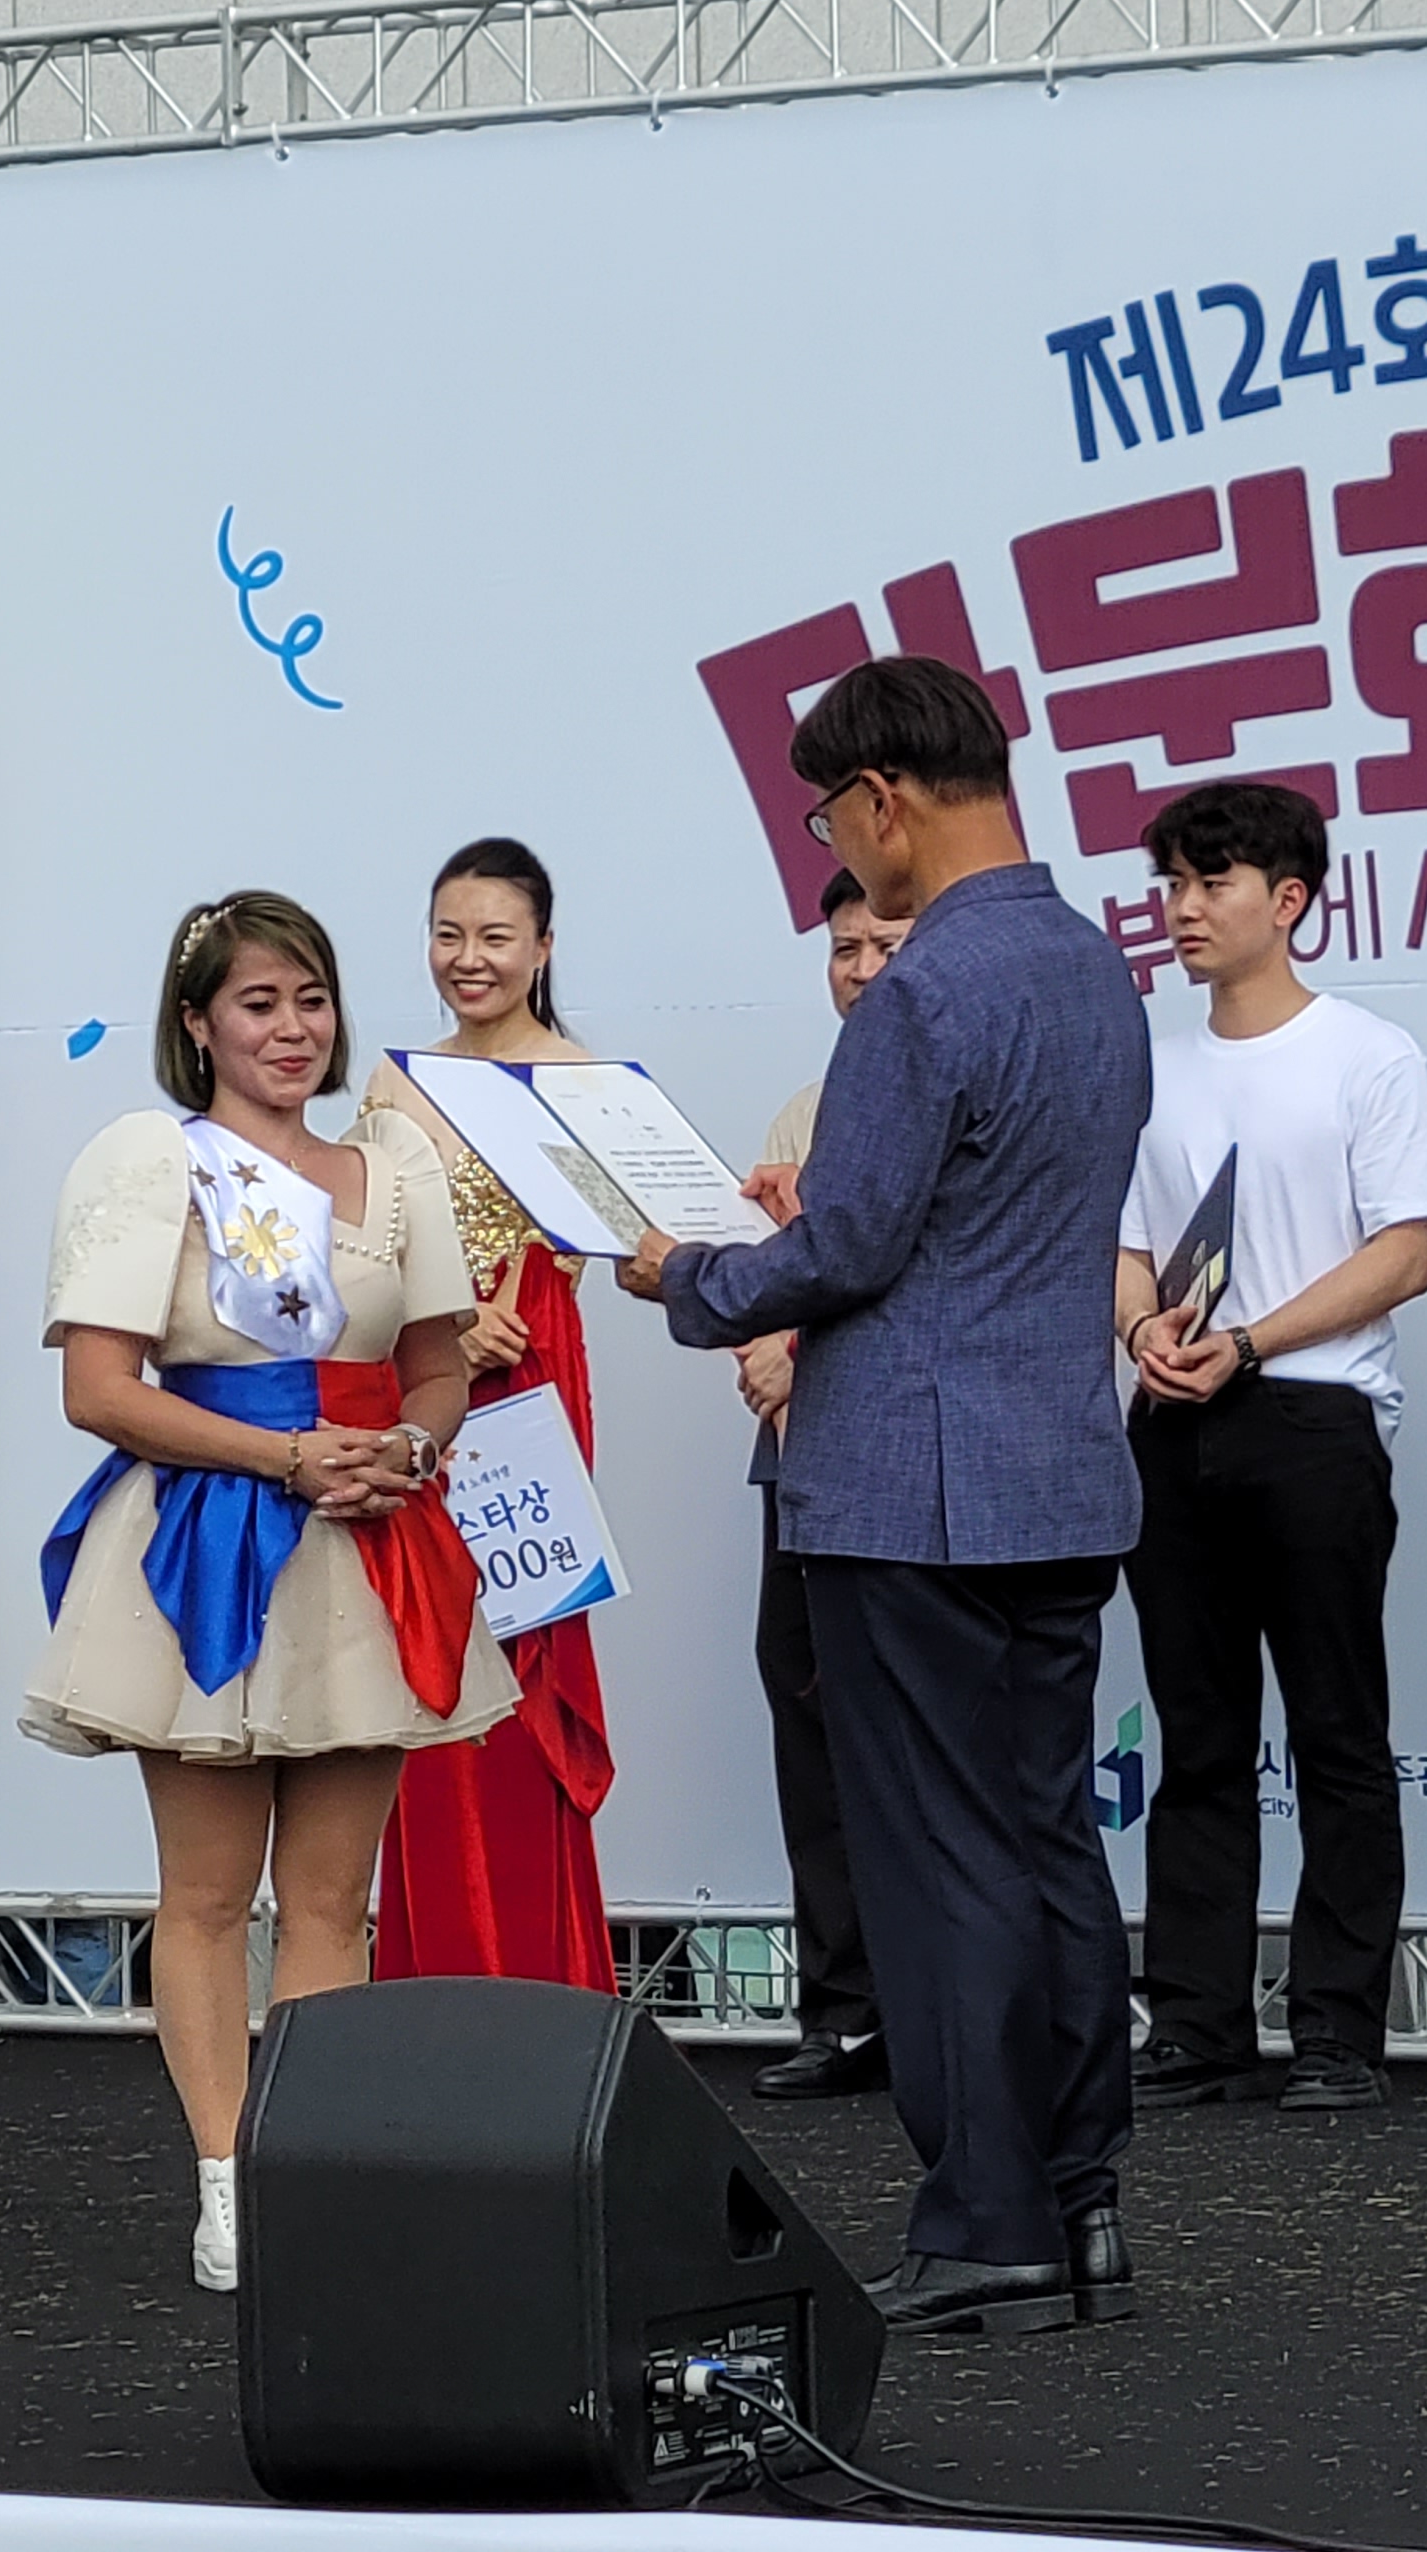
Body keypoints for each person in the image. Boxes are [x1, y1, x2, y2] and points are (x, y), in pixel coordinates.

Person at [620, 655, 1151, 2340]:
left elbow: (846, 1248)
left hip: (908, 1488)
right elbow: (967, 1221)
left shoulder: (922, 993)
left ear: (882, 800)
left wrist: (686, 1271)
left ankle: (985, 2215)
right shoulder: (1094, 966)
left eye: (828, 822)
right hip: (1054, 1468)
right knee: (1047, 1838)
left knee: (935, 1858)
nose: (835, 855)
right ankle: (1076, 2200)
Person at [27, 892, 513, 2289]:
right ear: (199, 1024)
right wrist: (284, 1456)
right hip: (210, 1531)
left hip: (367, 1536)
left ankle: (310, 2168)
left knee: (333, 1898)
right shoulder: (152, 1162)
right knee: (204, 1894)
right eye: (258, 1003)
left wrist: (407, 1449)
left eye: (310, 999)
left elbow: (438, 1362)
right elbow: (99, 1389)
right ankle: (227, 2181)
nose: (291, 1029)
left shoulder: (395, 1169)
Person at [1114, 782, 1427, 2116]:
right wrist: (1142, 1327)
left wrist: (1250, 1341)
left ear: (1288, 899)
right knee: (1196, 1738)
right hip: (1173, 1420)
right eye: (1173, 885)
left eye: (1212, 884)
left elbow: (1406, 1251)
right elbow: (1125, 1242)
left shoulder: (1369, 1054)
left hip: (1313, 1416)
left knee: (1336, 1733)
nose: (1183, 910)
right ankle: (1197, 2024)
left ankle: (1337, 2032)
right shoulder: (1149, 1064)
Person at [354, 838, 616, 1994]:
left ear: (543, 947)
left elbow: (603, 1252)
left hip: (529, 1391)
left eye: (496, 937)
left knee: (519, 1670)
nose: (470, 958)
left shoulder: (586, 1082)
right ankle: (435, 1977)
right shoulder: (395, 1082)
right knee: (422, 1656)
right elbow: (365, 1250)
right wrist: (440, 1337)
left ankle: (540, 1981)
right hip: (420, 1387)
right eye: (449, 934)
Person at [737, 864, 908, 2100]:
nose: (863, 970)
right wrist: (767, 1352)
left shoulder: (961, 1100)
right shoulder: (805, 1110)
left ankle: (934, 2009)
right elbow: (765, 1277)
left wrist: (799, 1354)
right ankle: (841, 2011)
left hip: (910, 1470)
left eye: (887, 945)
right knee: (808, 1725)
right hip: (800, 1463)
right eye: (846, 949)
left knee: (910, 1738)